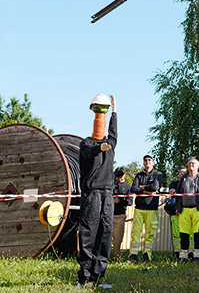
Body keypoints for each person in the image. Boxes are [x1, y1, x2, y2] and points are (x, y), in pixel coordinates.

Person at [76, 94, 118, 288]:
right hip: (92, 194)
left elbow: (114, 134)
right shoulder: (86, 143)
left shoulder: (111, 144)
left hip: (108, 194)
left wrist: (115, 113)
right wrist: (99, 147)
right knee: (88, 233)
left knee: (105, 234)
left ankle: (98, 277)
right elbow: (89, 151)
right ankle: (84, 276)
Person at [128, 155, 163, 262]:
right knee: (135, 233)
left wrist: (142, 187)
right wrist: (145, 191)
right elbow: (133, 188)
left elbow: (155, 188)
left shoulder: (158, 174)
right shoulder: (139, 175)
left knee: (150, 233)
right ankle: (133, 255)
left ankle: (147, 255)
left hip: (151, 209)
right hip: (139, 208)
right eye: (145, 160)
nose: (147, 162)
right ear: (143, 163)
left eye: (149, 160)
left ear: (153, 163)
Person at [175, 157, 199, 261]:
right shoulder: (183, 178)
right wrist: (178, 207)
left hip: (197, 210)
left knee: (198, 234)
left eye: (193, 163)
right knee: (183, 234)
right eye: (189, 163)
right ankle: (183, 256)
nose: (191, 165)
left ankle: (198, 256)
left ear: (198, 166)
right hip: (184, 210)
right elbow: (178, 194)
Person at [111, 167, 132, 259]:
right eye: (117, 176)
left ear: (124, 175)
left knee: (117, 239)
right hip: (108, 215)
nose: (119, 178)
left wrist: (120, 201)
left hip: (120, 215)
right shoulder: (111, 185)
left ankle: (116, 257)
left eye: (120, 176)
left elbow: (130, 202)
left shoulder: (128, 187)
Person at [166, 166, 187, 259]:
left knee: (187, 234)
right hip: (175, 212)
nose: (182, 174)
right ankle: (177, 253)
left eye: (184, 172)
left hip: (186, 211)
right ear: (178, 174)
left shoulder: (189, 183)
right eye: (180, 172)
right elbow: (172, 192)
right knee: (176, 234)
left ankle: (187, 253)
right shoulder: (174, 183)